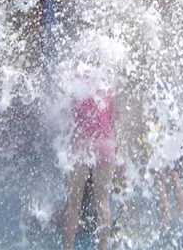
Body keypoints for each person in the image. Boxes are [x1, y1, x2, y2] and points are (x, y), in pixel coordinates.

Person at [62, 89, 116, 250]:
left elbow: (67, 116)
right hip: (105, 144)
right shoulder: (107, 85)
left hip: (81, 144)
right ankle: (103, 247)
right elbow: (113, 117)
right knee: (103, 203)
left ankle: (68, 247)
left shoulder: (75, 83)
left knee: (73, 204)